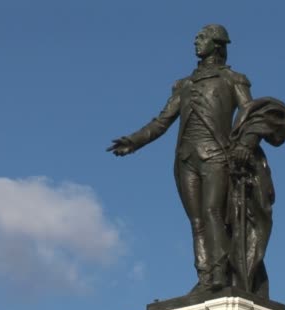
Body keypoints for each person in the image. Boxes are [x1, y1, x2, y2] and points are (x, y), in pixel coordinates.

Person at [107, 24, 254, 293]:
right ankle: (205, 276)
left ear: (217, 44)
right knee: (196, 220)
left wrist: (245, 144)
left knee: (212, 212)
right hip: (186, 160)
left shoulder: (234, 80)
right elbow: (162, 121)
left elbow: (250, 117)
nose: (196, 41)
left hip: (216, 156)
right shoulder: (184, 86)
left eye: (202, 37)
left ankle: (221, 271)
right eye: (197, 37)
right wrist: (134, 141)